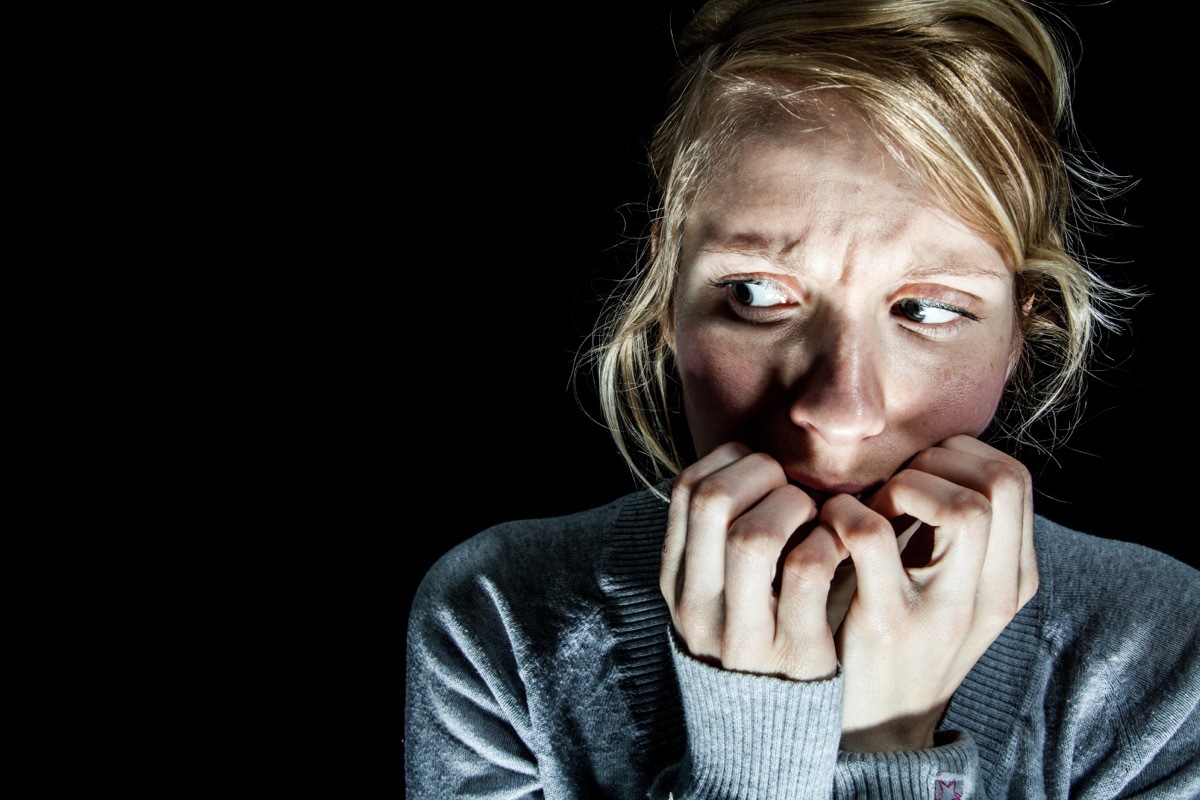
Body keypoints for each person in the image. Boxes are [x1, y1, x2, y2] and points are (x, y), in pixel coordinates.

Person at [404, 0, 1199, 796]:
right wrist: (756, 754)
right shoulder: (501, 625)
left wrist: (882, 742)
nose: (840, 411)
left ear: (1020, 331)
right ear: (667, 294)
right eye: (755, 293)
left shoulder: (1166, 660)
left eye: (929, 308)